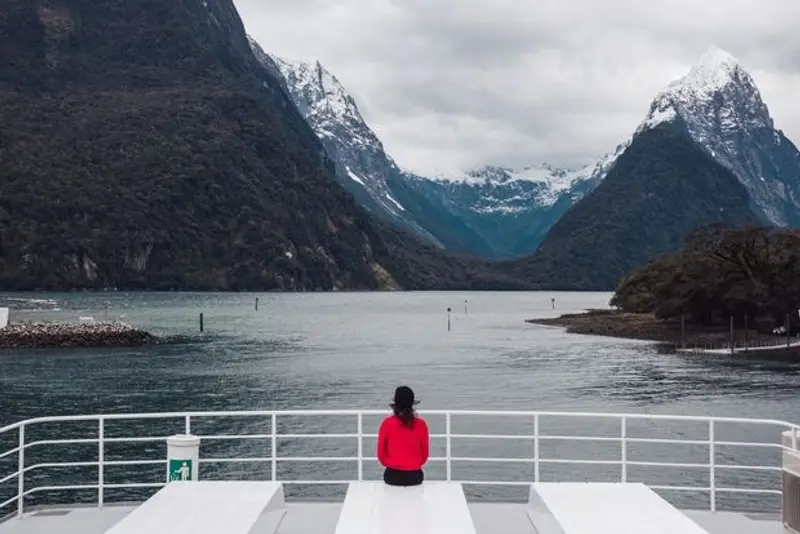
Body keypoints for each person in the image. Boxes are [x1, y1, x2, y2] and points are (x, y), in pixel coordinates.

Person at [377, 385, 429, 486]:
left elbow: (381, 453)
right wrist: (413, 464)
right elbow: (424, 454)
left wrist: (390, 462)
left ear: (395, 402)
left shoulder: (387, 423)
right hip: (415, 476)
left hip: (392, 475)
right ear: (412, 402)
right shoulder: (421, 424)